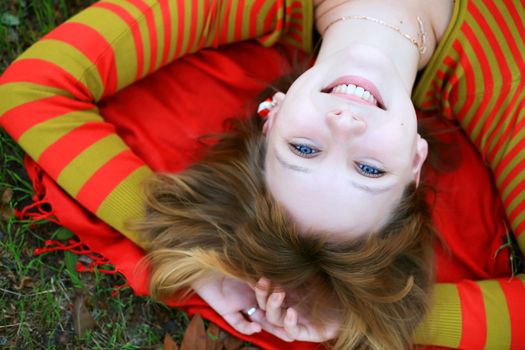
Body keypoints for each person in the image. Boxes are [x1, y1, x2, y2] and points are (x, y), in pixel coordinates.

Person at [0, 0, 524, 348]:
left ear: (271, 115)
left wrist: (186, 249)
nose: (344, 126)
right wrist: (362, 319)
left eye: (303, 149)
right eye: (367, 168)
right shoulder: (508, 89)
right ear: (414, 163)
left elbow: (33, 89)